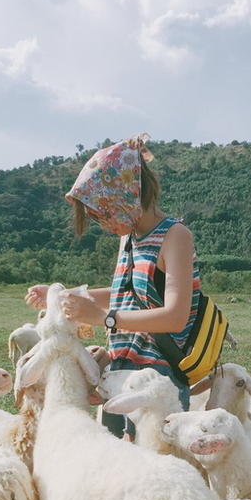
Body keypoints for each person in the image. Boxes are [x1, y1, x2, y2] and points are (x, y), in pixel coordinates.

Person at [25, 133, 200, 439]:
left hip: (157, 382)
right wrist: (61, 295)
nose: (104, 224)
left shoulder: (176, 236)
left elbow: (176, 315)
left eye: (104, 213)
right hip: (117, 374)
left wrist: (104, 318)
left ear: (126, 196)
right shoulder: (128, 238)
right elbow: (126, 293)